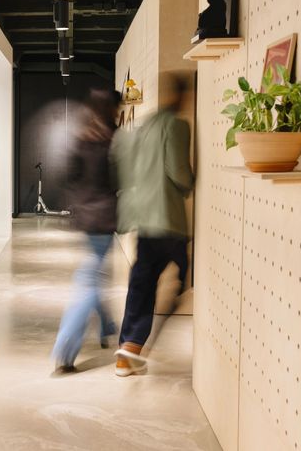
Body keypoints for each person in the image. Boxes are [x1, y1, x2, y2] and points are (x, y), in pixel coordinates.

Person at [111, 71, 195, 377]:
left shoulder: (144, 125)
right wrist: (190, 182)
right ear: (184, 96)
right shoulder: (177, 125)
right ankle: (135, 346)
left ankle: (128, 348)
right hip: (168, 218)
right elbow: (178, 172)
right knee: (180, 279)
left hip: (143, 217)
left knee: (142, 281)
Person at [51, 87, 121, 371]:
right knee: (89, 283)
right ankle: (64, 351)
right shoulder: (110, 141)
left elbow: (68, 176)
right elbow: (118, 182)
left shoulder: (81, 138)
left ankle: (107, 326)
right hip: (103, 220)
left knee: (94, 274)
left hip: (86, 218)